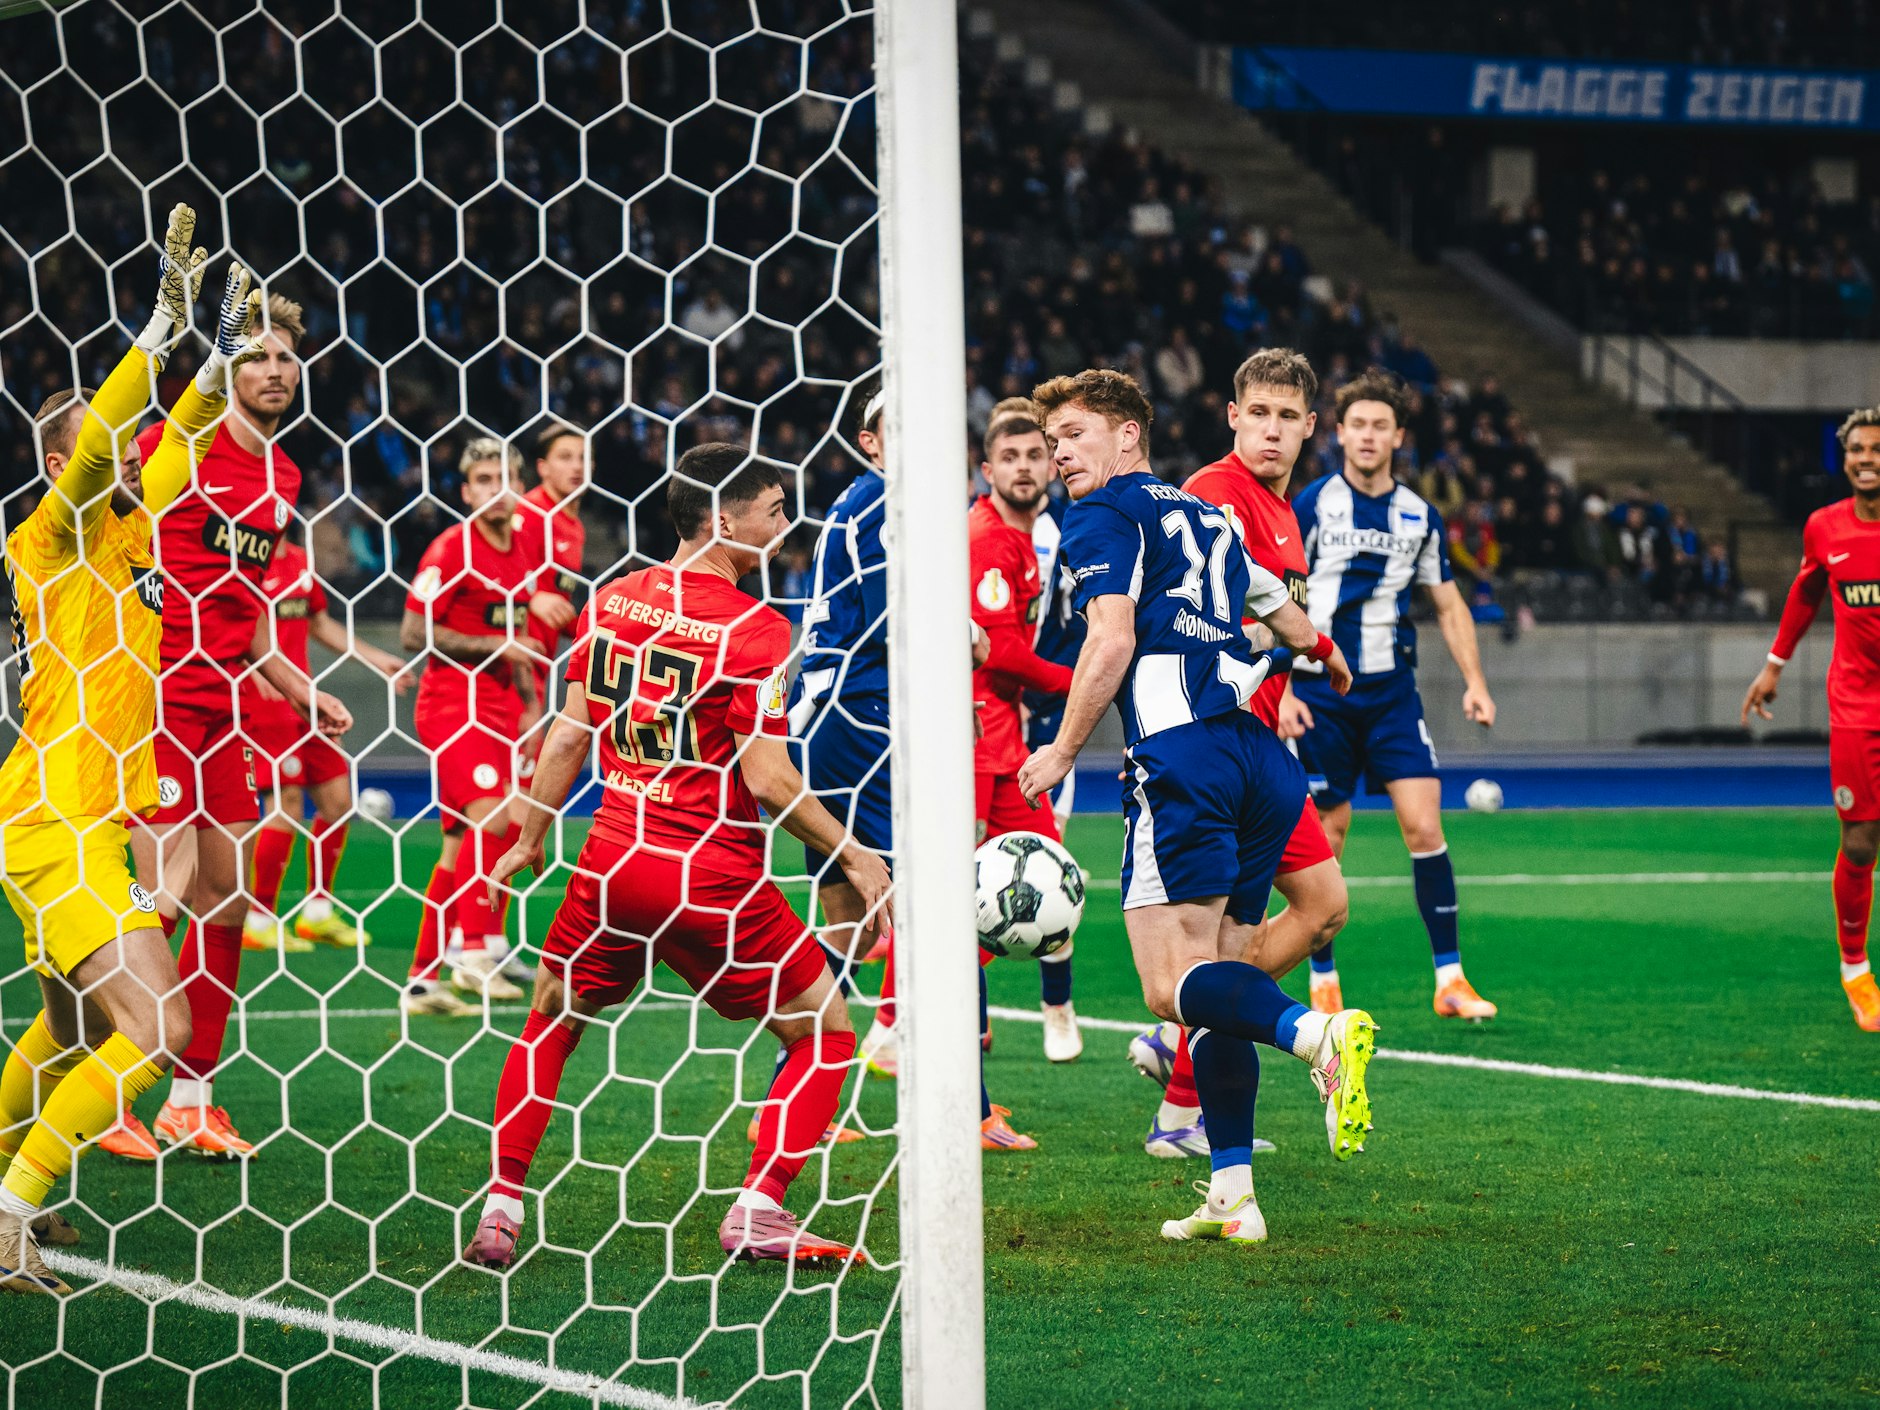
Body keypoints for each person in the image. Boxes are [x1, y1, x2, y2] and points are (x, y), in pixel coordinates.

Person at [464, 443, 892, 1270]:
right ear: (724, 521)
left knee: (550, 1019)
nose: (785, 526)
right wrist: (856, 855)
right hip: (711, 874)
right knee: (828, 1032)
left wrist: (529, 835)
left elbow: (568, 734)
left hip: (612, 861)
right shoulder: (758, 628)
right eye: (774, 510)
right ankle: (761, 1207)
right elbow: (767, 779)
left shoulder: (613, 599)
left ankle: (502, 1209)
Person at [1017, 369, 1375, 1246]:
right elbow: (1275, 606)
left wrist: (1061, 749)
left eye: (1073, 434)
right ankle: (1232, 1193)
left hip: (1184, 757)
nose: (1061, 453)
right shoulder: (1206, 514)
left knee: (1168, 985)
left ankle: (1314, 1037)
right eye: (1051, 438)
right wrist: (1325, 654)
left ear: (1127, 436)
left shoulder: (1102, 515)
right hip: (1258, 759)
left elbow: (1111, 636)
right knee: (1226, 979)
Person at [0, 216, 258, 1289]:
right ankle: (9, 1213)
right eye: (107, 447)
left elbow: (179, 434)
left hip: (84, 821)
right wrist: (155, 334)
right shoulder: (47, 539)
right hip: (57, 824)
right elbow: (112, 434)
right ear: (61, 462)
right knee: (159, 1022)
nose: (133, 454)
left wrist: (218, 355)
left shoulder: (134, 521)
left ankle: (7, 1176)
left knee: (65, 1035)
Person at [124, 284, 353, 1161]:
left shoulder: (284, 475)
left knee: (227, 896)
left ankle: (192, 1097)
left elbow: (254, 618)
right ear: (224, 366)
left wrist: (302, 691)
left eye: (286, 357)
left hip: (228, 705)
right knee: (156, 897)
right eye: (255, 355)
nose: (274, 370)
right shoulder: (173, 445)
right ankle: (113, 1086)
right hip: (154, 696)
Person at [791, 381, 1034, 1148]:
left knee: (851, 932)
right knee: (939, 918)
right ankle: (974, 1109)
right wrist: (962, 638)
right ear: (869, 442)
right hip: (867, 724)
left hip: (835, 725)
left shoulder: (859, 505)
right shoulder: (885, 506)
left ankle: (806, 1107)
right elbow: (905, 615)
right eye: (892, 429)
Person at [1130, 348, 1351, 1160]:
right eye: (1258, 413)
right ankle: (1188, 1071)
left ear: (1308, 428)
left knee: (1320, 906)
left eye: (1287, 417)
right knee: (1285, 920)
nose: (1272, 430)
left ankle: (1183, 1049)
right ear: (1232, 416)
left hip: (1255, 748)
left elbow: (1268, 623)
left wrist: (1299, 666)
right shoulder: (1216, 496)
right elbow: (1202, 621)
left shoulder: (1284, 512)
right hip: (1218, 751)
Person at [1282, 368, 1501, 1021]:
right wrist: (1283, 683)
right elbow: (1277, 594)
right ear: (1339, 434)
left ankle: (1451, 980)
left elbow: (1449, 602)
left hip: (1391, 694)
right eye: (1358, 425)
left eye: (1381, 425)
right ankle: (1323, 979)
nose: (1369, 435)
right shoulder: (1313, 505)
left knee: (1425, 825)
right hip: (1320, 693)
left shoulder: (1418, 515)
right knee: (1330, 834)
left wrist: (1476, 683)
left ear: (1397, 436)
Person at [400, 440, 555, 1014]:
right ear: (466, 492)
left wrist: (529, 703)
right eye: (483, 479)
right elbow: (414, 634)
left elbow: (517, 639)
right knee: (493, 817)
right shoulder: (450, 548)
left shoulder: (522, 551)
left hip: (501, 711)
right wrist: (495, 645)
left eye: (503, 477)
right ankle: (473, 950)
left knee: (459, 843)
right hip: (451, 706)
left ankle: (421, 979)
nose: (495, 487)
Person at [1742, 407, 1880, 1031]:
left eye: (1876, 449)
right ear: (1844, 458)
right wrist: (1774, 664)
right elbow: (1804, 593)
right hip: (1856, 705)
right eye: (1857, 449)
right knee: (1860, 841)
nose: (1867, 458)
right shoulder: (1825, 528)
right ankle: (1857, 972)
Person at [241, 528, 413, 953]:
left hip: (306, 698)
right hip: (265, 700)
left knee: (337, 802)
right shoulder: (245, 559)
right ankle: (259, 918)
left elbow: (317, 621)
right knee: (288, 806)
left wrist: (373, 656)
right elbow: (232, 625)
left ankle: (317, 912)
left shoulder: (299, 559)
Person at [969, 403, 1080, 1064]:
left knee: (1053, 866)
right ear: (987, 470)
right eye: (1009, 458)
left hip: (1004, 731)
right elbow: (1003, 654)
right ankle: (898, 1023)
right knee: (956, 888)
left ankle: (1056, 1009)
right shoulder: (987, 538)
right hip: (973, 732)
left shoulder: (1032, 536)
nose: (1024, 468)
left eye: (1034, 456)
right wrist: (1085, 678)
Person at [512, 423, 587, 719]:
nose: (577, 466)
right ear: (542, 467)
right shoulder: (528, 513)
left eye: (583, 458)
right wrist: (531, 599)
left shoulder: (575, 528)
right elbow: (500, 580)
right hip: (513, 666)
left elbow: (558, 600)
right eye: (566, 457)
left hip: (542, 662)